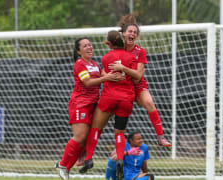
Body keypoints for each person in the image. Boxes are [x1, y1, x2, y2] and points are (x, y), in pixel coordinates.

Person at [55, 37, 123, 180]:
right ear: (79, 51)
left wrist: (118, 73)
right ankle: (62, 165)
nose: (89, 47)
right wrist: (107, 78)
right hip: (80, 104)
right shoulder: (79, 64)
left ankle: (68, 166)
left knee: (85, 137)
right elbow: (87, 82)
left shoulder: (94, 64)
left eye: (90, 45)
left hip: (93, 104)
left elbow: (104, 74)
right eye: (85, 46)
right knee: (80, 137)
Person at [79, 30, 142, 180]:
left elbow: (106, 75)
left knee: (96, 128)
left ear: (108, 43)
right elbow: (136, 78)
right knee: (119, 132)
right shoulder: (132, 57)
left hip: (109, 97)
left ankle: (88, 158)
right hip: (126, 99)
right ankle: (120, 158)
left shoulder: (106, 58)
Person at [109, 14, 171, 147]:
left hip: (137, 86)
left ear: (137, 36)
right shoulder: (116, 49)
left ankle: (161, 137)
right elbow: (109, 67)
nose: (132, 34)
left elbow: (137, 76)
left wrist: (123, 68)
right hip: (121, 87)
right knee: (104, 117)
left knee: (149, 103)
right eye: (130, 31)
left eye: (135, 32)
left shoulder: (140, 52)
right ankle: (87, 148)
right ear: (124, 33)